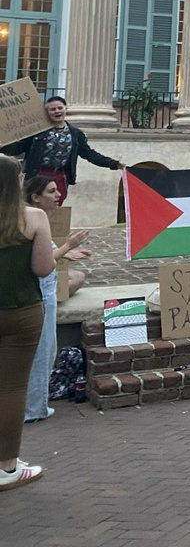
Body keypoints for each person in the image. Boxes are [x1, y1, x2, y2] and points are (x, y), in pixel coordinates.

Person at [0, 155, 55, 490]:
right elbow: (43, 269)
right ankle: (6, 465)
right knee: (11, 388)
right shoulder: (33, 217)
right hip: (22, 310)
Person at [23, 176, 89, 423]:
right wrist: (67, 246)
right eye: (51, 191)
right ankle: (34, 408)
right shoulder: (34, 218)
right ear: (36, 197)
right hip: (40, 293)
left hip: (35, 292)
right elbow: (43, 263)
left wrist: (68, 252)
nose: (58, 194)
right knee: (43, 352)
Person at [2, 95, 122, 204]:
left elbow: (89, 154)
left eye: (60, 108)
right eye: (52, 109)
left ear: (65, 109)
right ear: (47, 112)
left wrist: (114, 164)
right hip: (36, 175)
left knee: (56, 208)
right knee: (30, 205)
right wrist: (2, 146)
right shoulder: (36, 131)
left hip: (60, 176)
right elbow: (17, 148)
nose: (57, 111)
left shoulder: (75, 133)